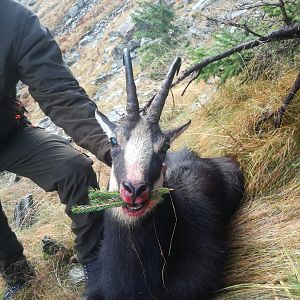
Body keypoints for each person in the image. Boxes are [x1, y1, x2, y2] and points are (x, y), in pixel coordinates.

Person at [0, 0, 112, 298]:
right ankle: (15, 270)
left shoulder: (11, 18)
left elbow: (60, 93)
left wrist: (113, 148)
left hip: (9, 135)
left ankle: (96, 261)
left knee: (73, 168)